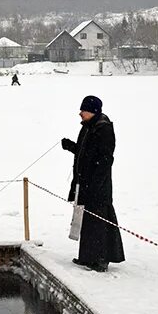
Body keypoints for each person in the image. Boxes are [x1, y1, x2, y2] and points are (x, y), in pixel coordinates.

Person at [61, 95, 125, 272]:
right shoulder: (89, 127)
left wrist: (95, 185)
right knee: (87, 221)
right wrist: (71, 147)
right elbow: (86, 153)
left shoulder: (103, 129)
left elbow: (105, 160)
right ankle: (87, 257)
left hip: (98, 186)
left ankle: (101, 259)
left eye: (84, 110)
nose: (80, 113)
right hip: (85, 182)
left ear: (93, 111)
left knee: (100, 221)